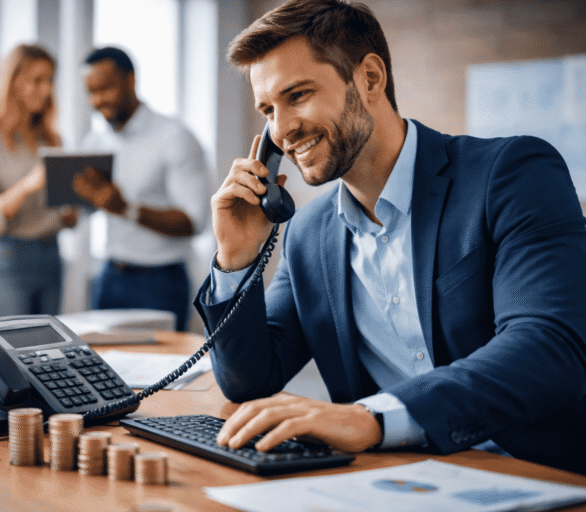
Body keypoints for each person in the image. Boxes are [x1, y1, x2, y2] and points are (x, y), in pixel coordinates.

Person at [194, 0, 586, 474]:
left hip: (535, 472)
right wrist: (235, 255)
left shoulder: (510, 175)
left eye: (297, 96)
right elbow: (249, 379)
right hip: (392, 480)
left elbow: (549, 346)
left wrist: (372, 418)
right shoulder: (309, 235)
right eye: (267, 110)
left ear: (370, 79)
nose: (281, 130)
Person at [74, 47, 210, 331]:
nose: (97, 100)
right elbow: (84, 212)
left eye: (105, 88)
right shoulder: (94, 143)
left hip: (161, 282)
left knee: (160, 371)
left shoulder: (175, 137)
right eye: (91, 92)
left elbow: (193, 222)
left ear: (131, 80)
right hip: (110, 277)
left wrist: (126, 209)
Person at [0, 43, 76, 317]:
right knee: (14, 345)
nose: (46, 90)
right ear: (13, 82)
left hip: (51, 254)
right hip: (10, 258)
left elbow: (65, 217)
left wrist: (76, 201)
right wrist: (28, 185)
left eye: (50, 81)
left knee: (50, 347)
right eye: (37, 80)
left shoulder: (51, 139)